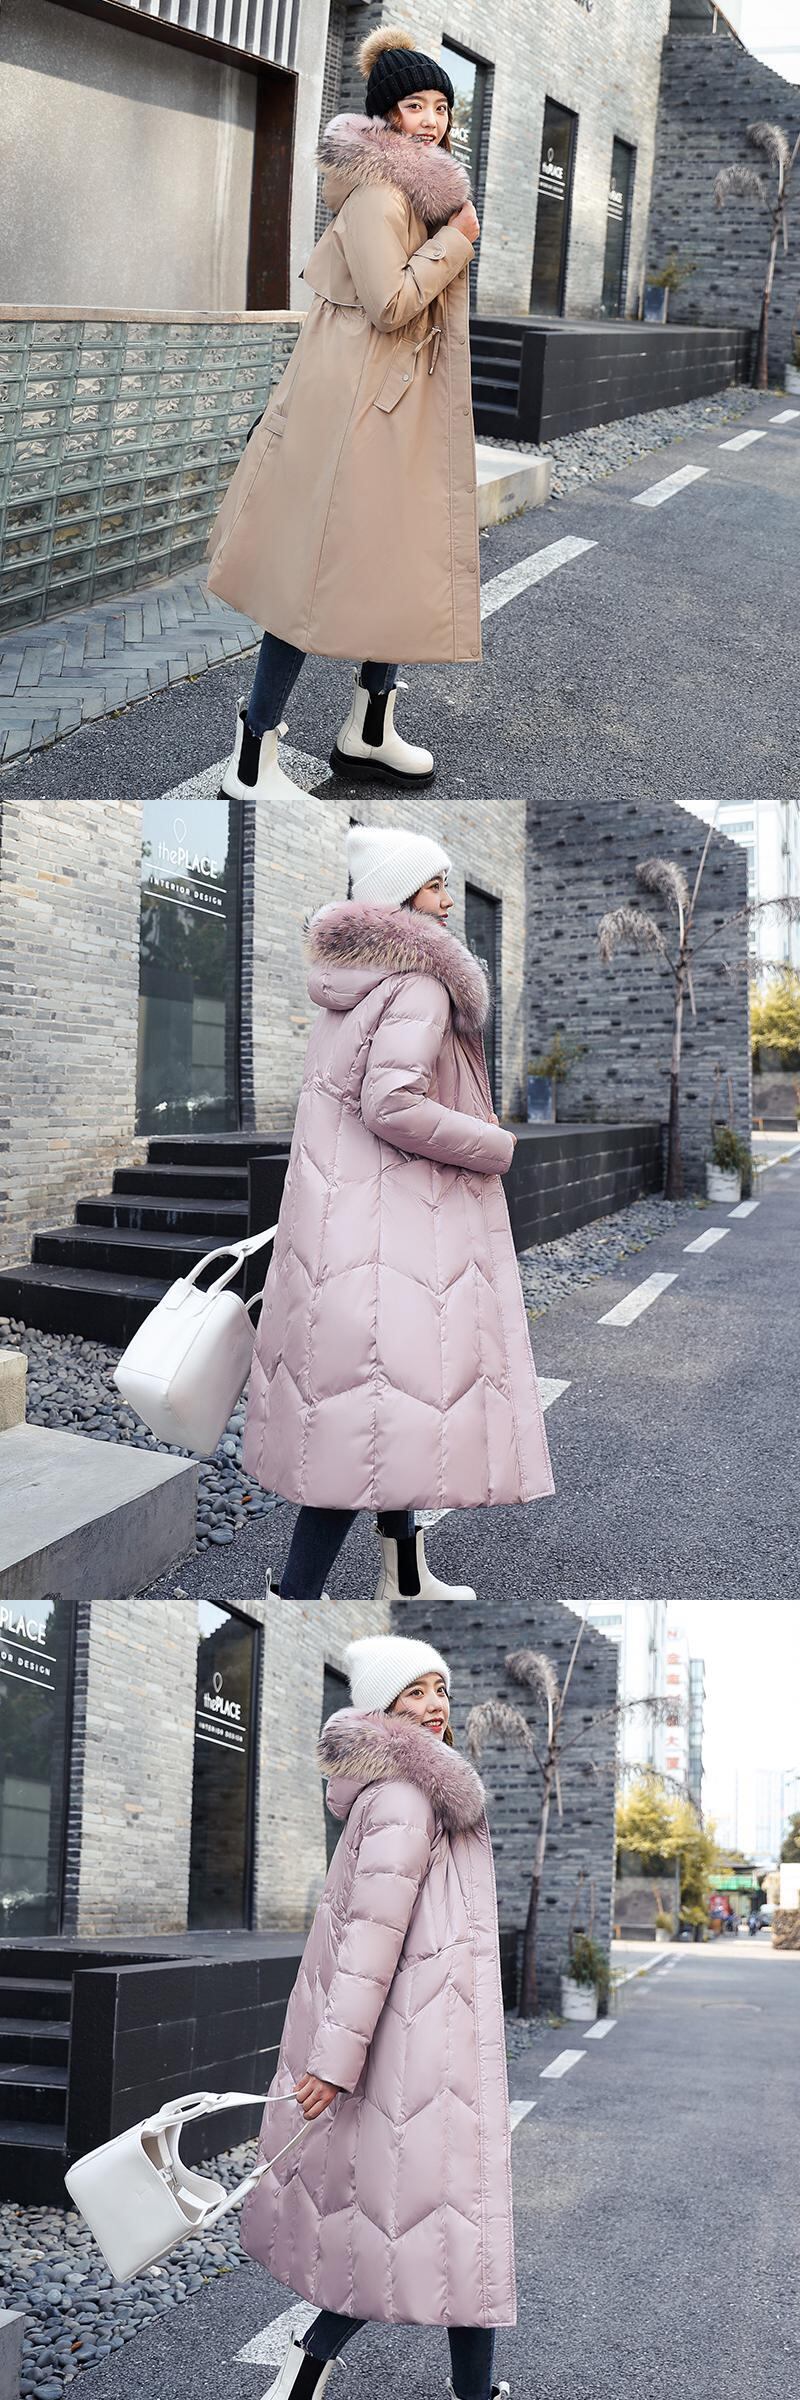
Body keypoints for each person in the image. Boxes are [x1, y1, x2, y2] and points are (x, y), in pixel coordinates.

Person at [241, 822, 554, 1605]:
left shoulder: (354, 985)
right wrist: (493, 1144)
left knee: (389, 1407)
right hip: (394, 1224)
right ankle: (294, 1598)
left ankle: (405, 1577)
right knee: (366, 1425)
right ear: (401, 897)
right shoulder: (418, 983)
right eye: (435, 886)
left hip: (348, 1219)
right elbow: (391, 1103)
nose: (448, 902)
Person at [205, 26, 482, 804]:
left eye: (440, 107)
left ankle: (369, 729)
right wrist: (457, 244)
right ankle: (252, 758)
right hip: (355, 417)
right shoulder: (378, 191)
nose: (431, 120)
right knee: (309, 578)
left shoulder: (424, 192)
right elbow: (391, 303)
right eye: (415, 105)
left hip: (394, 412)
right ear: (386, 113)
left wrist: (450, 235)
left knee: (397, 566)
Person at [241, 1632, 514, 2400]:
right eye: (414, 1692)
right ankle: (325, 2363)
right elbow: (369, 1936)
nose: (434, 1706)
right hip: (419, 2049)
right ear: (383, 1708)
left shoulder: (412, 1792)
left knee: (429, 2230)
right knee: (449, 2229)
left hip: (427, 2039)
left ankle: (315, 2365)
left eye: (440, 1690)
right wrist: (334, 2061)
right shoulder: (406, 1797)